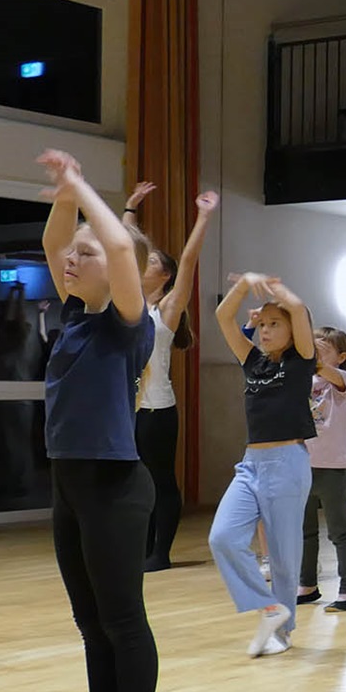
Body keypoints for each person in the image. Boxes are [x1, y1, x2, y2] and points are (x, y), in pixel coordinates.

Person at [30, 149, 161, 692]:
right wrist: (64, 196)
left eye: (87, 253)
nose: (71, 260)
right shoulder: (75, 315)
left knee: (122, 619)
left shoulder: (127, 324)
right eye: (72, 255)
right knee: (90, 621)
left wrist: (83, 189)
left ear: (119, 268)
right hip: (70, 483)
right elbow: (54, 242)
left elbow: (117, 245)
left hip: (115, 486)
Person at [209, 271, 317, 657]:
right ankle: (269, 608)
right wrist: (244, 285)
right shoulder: (252, 361)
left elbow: (299, 309)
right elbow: (223, 316)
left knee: (285, 559)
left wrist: (276, 291)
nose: (266, 330)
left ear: (292, 330)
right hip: (251, 463)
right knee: (222, 537)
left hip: (287, 464)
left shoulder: (302, 361)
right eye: (263, 324)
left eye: (275, 324)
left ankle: (282, 633)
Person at [130, 185, 213, 571]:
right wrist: (130, 207)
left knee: (159, 480)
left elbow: (189, 261)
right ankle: (142, 549)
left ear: (164, 275)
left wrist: (204, 217)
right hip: (128, 410)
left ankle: (159, 553)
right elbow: (124, 246)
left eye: (150, 262)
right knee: (136, 482)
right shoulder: (128, 304)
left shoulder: (166, 310)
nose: (141, 265)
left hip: (157, 410)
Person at [297, 326, 346, 612]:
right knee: (305, 530)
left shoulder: (344, 380)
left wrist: (314, 356)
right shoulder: (305, 380)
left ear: (341, 356)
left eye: (325, 347)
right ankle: (307, 584)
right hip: (302, 464)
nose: (317, 350)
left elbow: (327, 372)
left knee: (339, 531)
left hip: (332, 467)